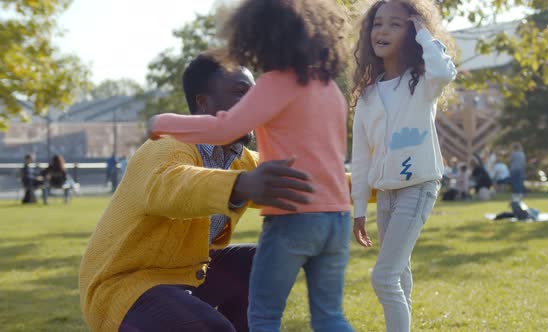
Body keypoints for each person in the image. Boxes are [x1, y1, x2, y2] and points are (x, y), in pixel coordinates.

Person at [148, 1, 352, 331]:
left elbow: (223, 128)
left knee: (264, 316)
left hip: (293, 219)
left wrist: (162, 122)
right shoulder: (329, 89)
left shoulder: (275, 83)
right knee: (330, 316)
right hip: (337, 219)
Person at [79, 52, 315, 332]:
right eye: (241, 93)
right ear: (204, 103)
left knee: (263, 261)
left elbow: (314, 179)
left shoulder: (239, 159)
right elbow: (170, 186)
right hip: (125, 287)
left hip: (186, 277)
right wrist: (240, 184)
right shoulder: (168, 145)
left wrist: (374, 183)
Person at [350, 1, 457, 331]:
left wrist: (423, 32)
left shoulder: (423, 82)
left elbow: (444, 70)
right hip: (386, 195)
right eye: (377, 24)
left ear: (410, 32)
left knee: (384, 278)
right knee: (400, 275)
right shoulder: (367, 95)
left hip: (419, 186)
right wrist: (358, 210)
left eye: (395, 24)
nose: (381, 31)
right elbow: (362, 156)